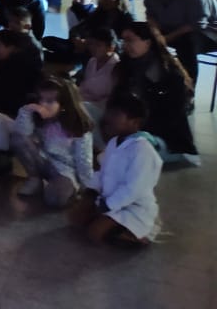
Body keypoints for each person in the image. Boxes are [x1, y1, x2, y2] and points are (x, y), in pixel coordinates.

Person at [71, 93, 164, 247]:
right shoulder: (114, 142)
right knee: (75, 218)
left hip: (132, 207)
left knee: (95, 233)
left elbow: (134, 188)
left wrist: (109, 205)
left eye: (116, 114)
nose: (108, 118)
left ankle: (140, 235)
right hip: (108, 200)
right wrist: (91, 191)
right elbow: (102, 172)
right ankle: (109, 222)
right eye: (109, 112)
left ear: (135, 122)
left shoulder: (143, 150)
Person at [113, 21, 197, 160]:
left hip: (164, 139)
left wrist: (134, 126)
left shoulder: (169, 74)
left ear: (148, 42)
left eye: (130, 40)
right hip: (133, 130)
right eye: (123, 40)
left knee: (131, 149)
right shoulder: (125, 67)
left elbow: (171, 116)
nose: (125, 45)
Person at [12, 77, 96, 207]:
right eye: (41, 99)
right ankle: (35, 179)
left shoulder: (77, 125)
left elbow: (84, 159)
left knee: (54, 199)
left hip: (65, 170)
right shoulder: (37, 117)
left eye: (50, 101)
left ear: (64, 104)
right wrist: (28, 110)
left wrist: (87, 188)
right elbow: (21, 132)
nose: (43, 105)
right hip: (42, 160)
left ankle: (64, 188)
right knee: (18, 138)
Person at [142, 0, 217, 84]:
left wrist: (167, 38)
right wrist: (157, 33)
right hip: (170, 27)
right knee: (140, 36)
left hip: (207, 32)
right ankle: (151, 84)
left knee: (187, 44)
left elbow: (197, 23)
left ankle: (187, 91)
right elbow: (150, 12)